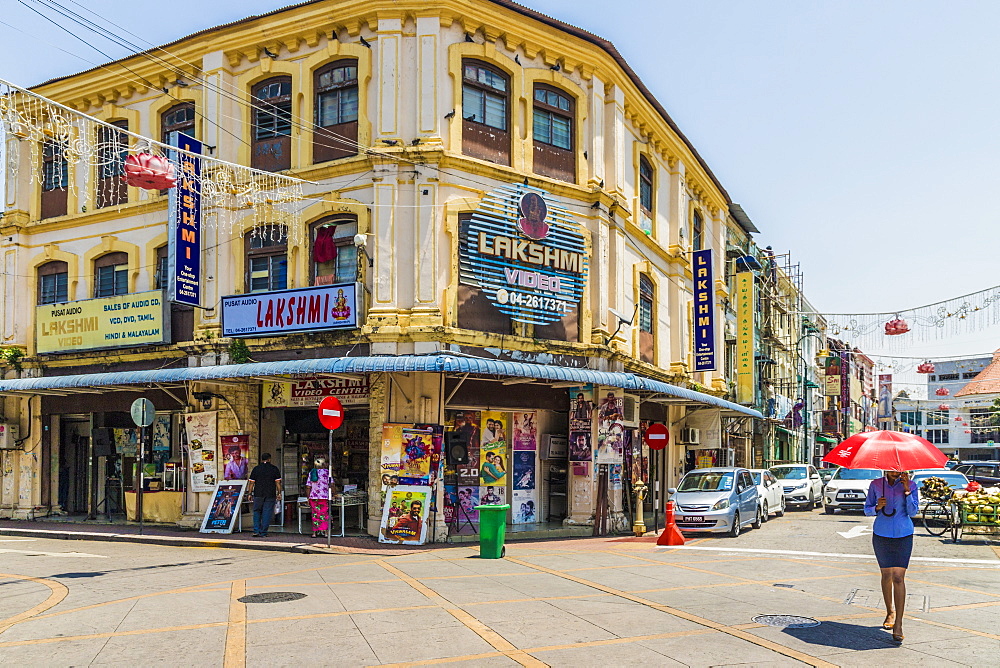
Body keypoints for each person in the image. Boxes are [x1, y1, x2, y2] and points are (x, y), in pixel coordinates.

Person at [864, 470, 919, 643]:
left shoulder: (911, 485)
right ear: (885, 469)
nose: (896, 472)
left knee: (898, 577)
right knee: (886, 575)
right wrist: (877, 507)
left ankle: (899, 624)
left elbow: (913, 511)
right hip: (882, 534)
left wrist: (907, 491)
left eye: (899, 469)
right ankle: (889, 611)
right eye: (892, 469)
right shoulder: (876, 485)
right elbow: (867, 510)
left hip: (904, 534)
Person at [247, 453, 282, 538]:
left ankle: (256, 530)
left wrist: (249, 493)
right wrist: (279, 493)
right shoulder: (274, 469)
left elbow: (251, 483)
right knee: (267, 512)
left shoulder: (256, 469)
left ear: (261, 459)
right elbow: (278, 483)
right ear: (269, 459)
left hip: (258, 493)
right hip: (270, 494)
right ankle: (263, 532)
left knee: (257, 511)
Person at [306, 457, 333, 538]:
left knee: (315, 514)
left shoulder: (312, 472)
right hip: (324, 497)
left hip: (313, 497)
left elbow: (308, 486)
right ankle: (325, 532)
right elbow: (332, 484)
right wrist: (334, 493)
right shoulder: (327, 472)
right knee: (324, 514)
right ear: (324, 464)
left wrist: (308, 497)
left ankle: (314, 533)